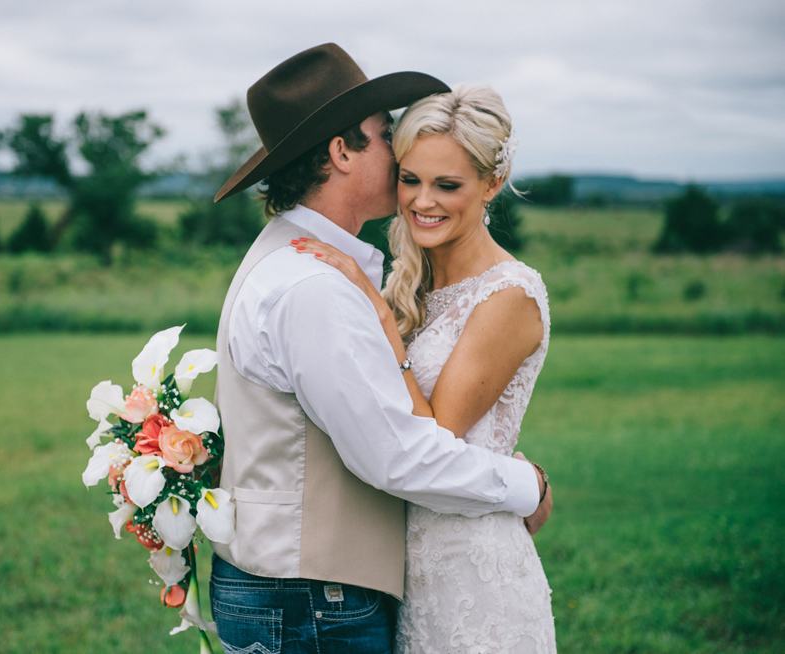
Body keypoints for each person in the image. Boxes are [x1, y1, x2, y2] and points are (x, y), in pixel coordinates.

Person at [208, 43, 552, 654]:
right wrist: (528, 484)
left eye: (446, 182)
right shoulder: (315, 285)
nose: (400, 157)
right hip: (311, 598)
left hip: (339, 586)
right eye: (386, 135)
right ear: (343, 151)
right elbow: (397, 457)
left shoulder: (289, 259)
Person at [293, 84, 556, 652]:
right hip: (404, 573)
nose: (422, 201)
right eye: (410, 179)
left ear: (492, 183)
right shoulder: (411, 280)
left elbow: (432, 438)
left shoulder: (509, 295)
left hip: (475, 576)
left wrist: (381, 320)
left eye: (447, 185)